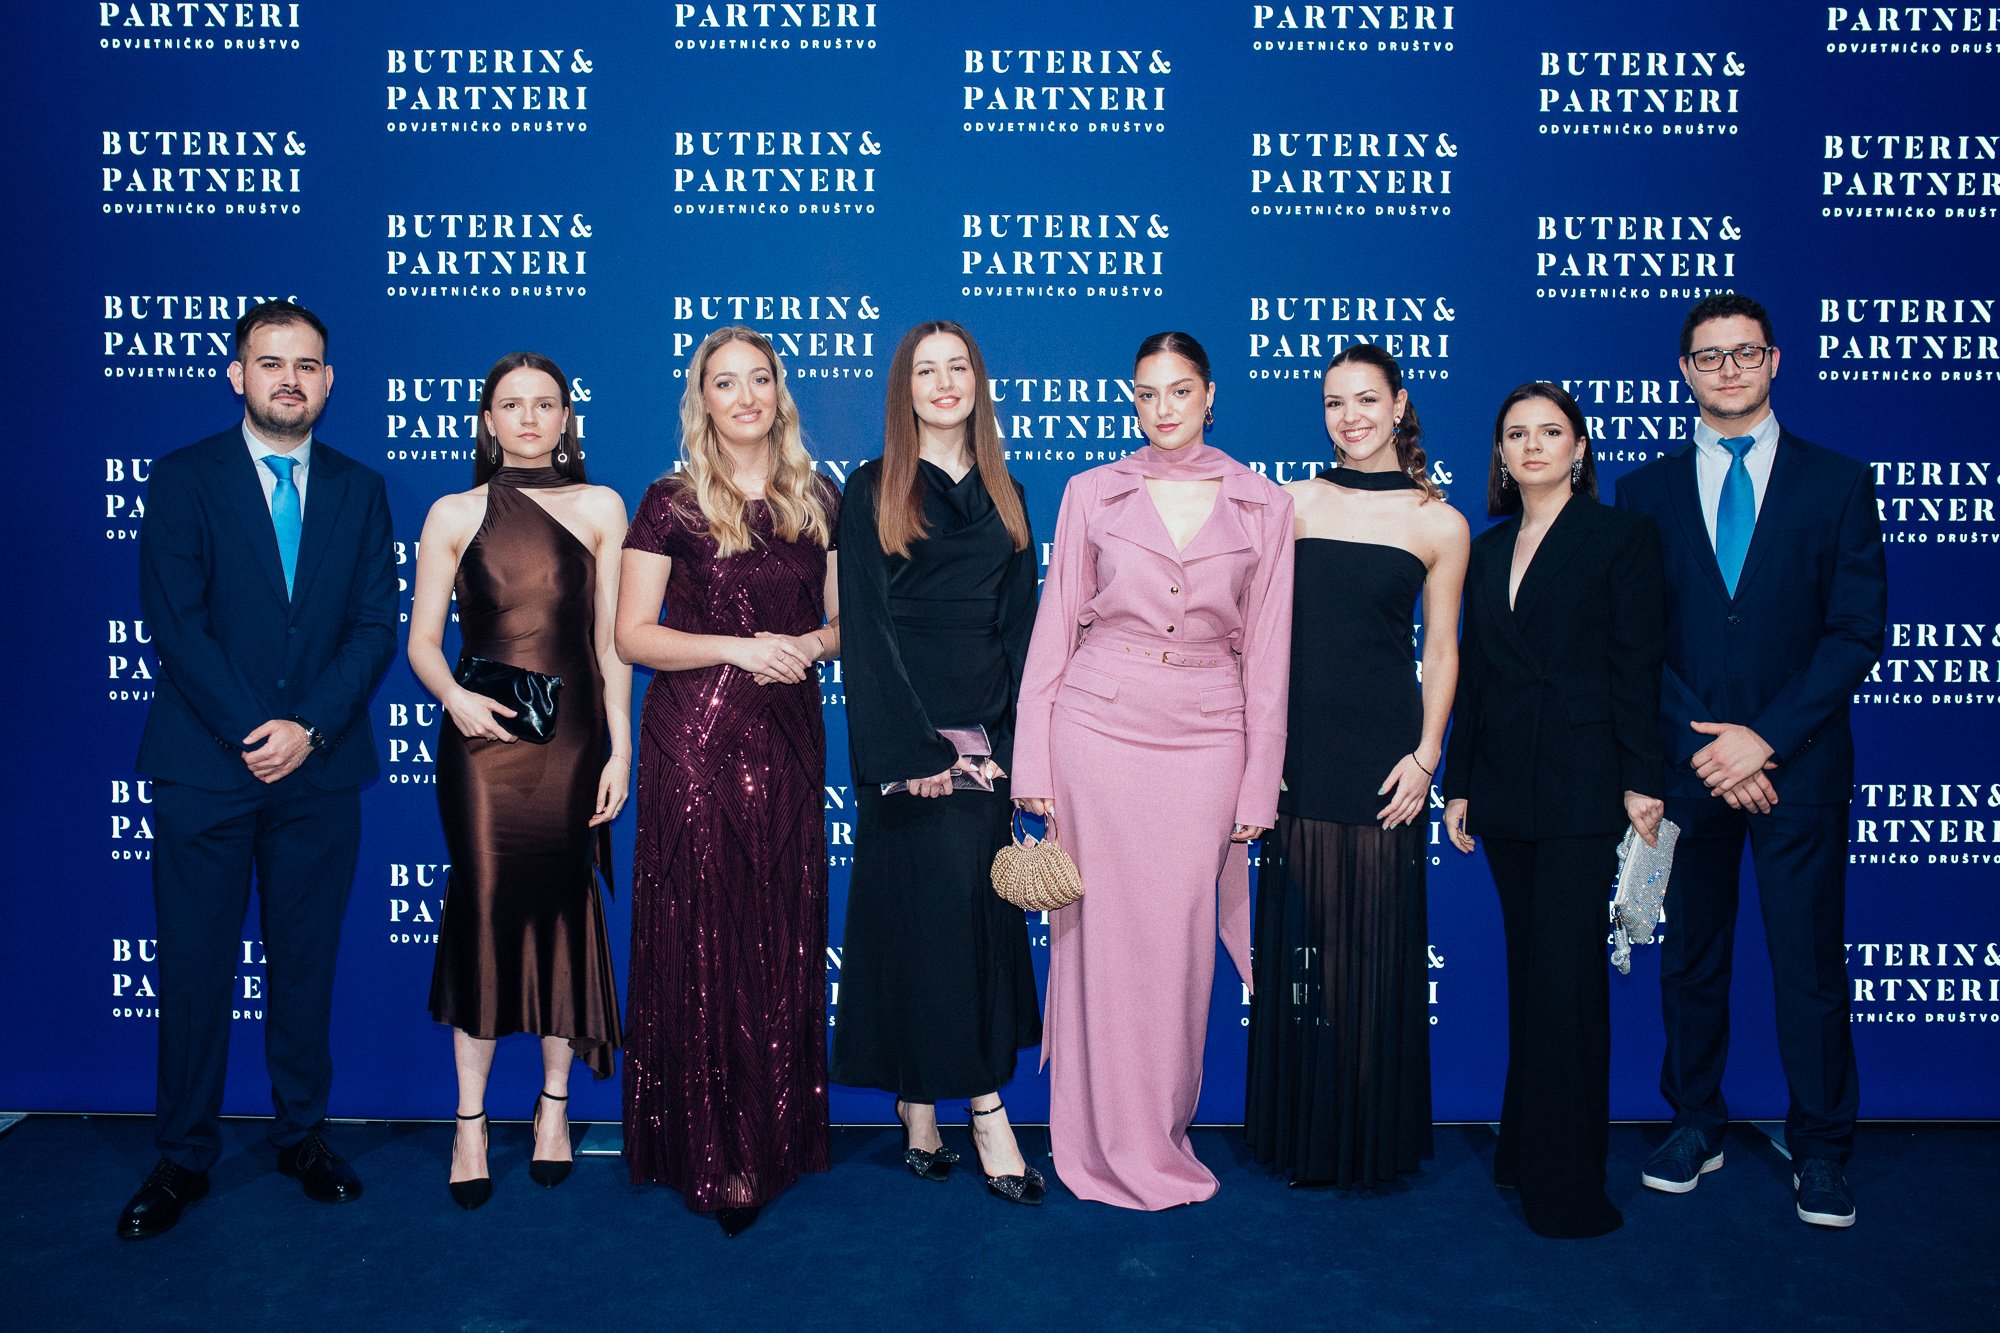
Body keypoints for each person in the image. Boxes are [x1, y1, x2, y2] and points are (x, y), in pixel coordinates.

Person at [120, 300, 397, 1240]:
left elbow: (372, 628)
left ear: (328, 381)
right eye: (270, 362)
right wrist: (254, 728)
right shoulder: (184, 477)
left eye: (307, 365)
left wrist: (309, 728)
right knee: (195, 971)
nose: (289, 378)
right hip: (206, 768)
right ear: (236, 375)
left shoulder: (361, 489)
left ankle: (302, 1133)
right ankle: (182, 1154)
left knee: (305, 966)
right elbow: (175, 622)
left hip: (318, 774)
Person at [1616, 293, 1886, 1229]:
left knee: (1809, 962)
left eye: (1744, 353)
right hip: (1689, 771)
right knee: (1691, 957)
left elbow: (1855, 633)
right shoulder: (1643, 491)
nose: (1727, 370)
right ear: (1684, 371)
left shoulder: (1839, 482)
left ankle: (1821, 1147)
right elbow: (1636, 639)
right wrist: (1710, 745)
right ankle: (1696, 1121)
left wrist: (1761, 738)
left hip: (1797, 767)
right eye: (1708, 356)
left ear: (1775, 362)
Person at [1013, 331, 1295, 1210]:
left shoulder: (1264, 504)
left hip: (1207, 739)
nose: (1163, 407)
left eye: (1180, 390)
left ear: (1210, 395)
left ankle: (1157, 1138)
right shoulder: (1091, 492)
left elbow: (1272, 658)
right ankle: (1091, 1143)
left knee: (1177, 951)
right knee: (1093, 940)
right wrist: (1034, 763)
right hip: (1095, 730)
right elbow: (1055, 626)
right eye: (1147, 392)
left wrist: (1258, 784)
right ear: (1132, 399)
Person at [615, 326, 841, 1237]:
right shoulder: (669, 501)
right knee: (702, 935)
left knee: (779, 926)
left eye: (760, 379)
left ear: (781, 392)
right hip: (695, 741)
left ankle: (774, 1140)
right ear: (700, 398)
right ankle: (704, 1152)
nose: (744, 396)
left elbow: (845, 623)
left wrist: (809, 648)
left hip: (789, 737)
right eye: (724, 382)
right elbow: (633, 634)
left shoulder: (821, 496)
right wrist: (738, 649)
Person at [407, 352, 631, 1210]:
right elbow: (422, 639)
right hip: (481, 745)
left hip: (573, 744)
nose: (530, 418)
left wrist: (619, 751)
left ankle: (552, 1109)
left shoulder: (601, 507)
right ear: (488, 421)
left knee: (564, 917)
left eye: (546, 403)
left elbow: (610, 646)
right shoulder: (455, 511)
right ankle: (469, 1121)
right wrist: (456, 698)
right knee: (486, 910)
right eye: (512, 404)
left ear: (567, 418)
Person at [1442, 381, 1665, 1239]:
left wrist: (1643, 780)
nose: (1532, 445)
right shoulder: (1490, 547)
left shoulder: (1622, 537)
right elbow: (1479, 676)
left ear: (1579, 447)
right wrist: (1460, 783)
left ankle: (1567, 1187)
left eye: (1549, 431)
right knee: (1532, 976)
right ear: (1499, 454)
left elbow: (1637, 663)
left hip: (1584, 789)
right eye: (1515, 434)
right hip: (1504, 791)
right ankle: (1525, 1152)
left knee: (1569, 987)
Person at [830, 321, 1045, 1203]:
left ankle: (921, 1104)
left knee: (966, 924)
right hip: (905, 750)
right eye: (927, 370)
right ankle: (985, 1111)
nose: (945, 382)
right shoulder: (870, 486)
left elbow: (1023, 633)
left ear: (979, 383)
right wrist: (910, 753)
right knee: (922, 922)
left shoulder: (1009, 491)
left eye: (959, 367)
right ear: (903, 388)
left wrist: (1022, 754)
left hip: (988, 752)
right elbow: (866, 635)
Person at [1245, 344, 1467, 1189]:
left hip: (1383, 755)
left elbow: (1441, 651)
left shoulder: (1436, 521)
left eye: (1367, 400)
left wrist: (1427, 756)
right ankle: (1303, 1132)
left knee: (1367, 952)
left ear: (1400, 405)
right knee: (1302, 945)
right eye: (1335, 402)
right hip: (1297, 751)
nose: (1351, 416)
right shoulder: (1287, 504)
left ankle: (1365, 1137)